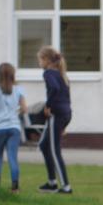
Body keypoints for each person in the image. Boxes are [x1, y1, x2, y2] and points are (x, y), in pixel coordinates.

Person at [36, 46, 72, 194]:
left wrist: (48, 106)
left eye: (39, 60)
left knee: (53, 149)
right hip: (65, 113)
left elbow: (54, 89)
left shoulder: (49, 73)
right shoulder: (60, 74)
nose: (39, 63)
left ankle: (66, 186)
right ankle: (52, 182)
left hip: (57, 114)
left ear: (45, 60)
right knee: (44, 145)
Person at [0, 63, 26, 192]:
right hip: (14, 127)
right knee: (12, 157)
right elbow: (24, 109)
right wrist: (15, 113)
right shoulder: (18, 89)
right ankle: (15, 185)